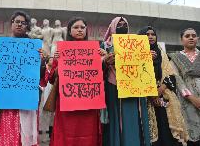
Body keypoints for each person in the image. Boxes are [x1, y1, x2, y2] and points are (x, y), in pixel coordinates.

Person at [0, 10, 44, 146]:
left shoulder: (34, 49)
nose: (20, 25)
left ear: (27, 26)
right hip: (2, 101)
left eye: (23, 23)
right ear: (11, 24)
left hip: (24, 101)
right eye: (17, 22)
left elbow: (40, 77)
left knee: (22, 136)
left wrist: (41, 61)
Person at [50, 16, 103, 146]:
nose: (79, 30)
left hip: (89, 103)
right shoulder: (61, 50)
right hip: (67, 103)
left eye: (82, 27)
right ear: (69, 31)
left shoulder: (95, 50)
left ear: (86, 30)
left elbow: (101, 77)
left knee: (88, 134)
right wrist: (56, 62)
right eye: (76, 27)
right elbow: (52, 78)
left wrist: (103, 59)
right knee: (66, 134)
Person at [101, 17, 151, 146]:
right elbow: (98, 68)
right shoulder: (105, 45)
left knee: (134, 117)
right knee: (116, 119)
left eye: (124, 24)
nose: (122, 27)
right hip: (113, 86)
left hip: (134, 87)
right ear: (112, 27)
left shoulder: (135, 43)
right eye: (119, 24)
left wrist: (147, 56)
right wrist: (105, 61)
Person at [138, 26, 188, 146]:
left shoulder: (162, 53)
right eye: (147, 34)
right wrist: (144, 58)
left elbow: (170, 74)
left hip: (163, 96)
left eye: (153, 34)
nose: (150, 36)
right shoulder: (135, 55)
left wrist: (160, 90)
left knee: (166, 131)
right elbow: (135, 76)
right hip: (145, 100)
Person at [170, 28, 200, 146]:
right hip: (188, 104)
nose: (191, 37)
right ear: (182, 40)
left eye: (193, 35)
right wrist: (193, 99)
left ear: (198, 39)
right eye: (187, 36)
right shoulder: (176, 58)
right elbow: (178, 80)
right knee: (193, 140)